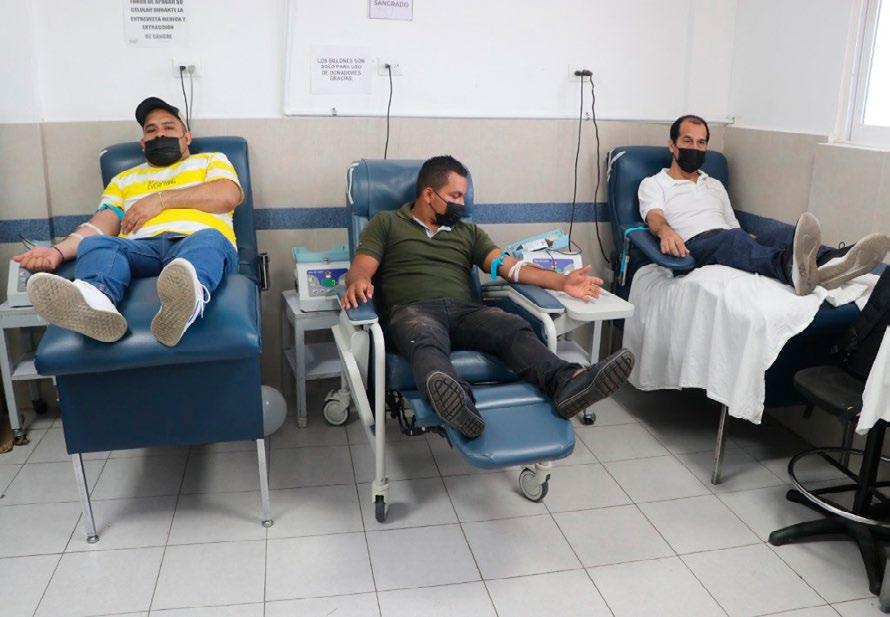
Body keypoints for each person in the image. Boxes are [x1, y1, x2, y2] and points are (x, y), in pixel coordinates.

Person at [341, 155, 634, 439]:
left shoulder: (468, 233)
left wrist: (563, 281)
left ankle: (568, 383)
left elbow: (510, 267)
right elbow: (363, 266)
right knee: (424, 336)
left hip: (465, 312)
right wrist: (360, 280)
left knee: (511, 325)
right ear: (429, 194)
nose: (461, 204)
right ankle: (458, 405)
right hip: (413, 311)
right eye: (454, 196)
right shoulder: (387, 223)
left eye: (463, 197)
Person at [14, 97, 243, 346]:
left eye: (168, 127)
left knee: (208, 240)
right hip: (140, 249)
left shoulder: (211, 160)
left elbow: (227, 196)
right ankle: (96, 303)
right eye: (151, 130)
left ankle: (186, 300)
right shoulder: (123, 180)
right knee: (97, 244)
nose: (160, 134)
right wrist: (57, 252)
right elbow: (100, 225)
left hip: (196, 242)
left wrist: (160, 200)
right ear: (143, 143)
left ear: (186, 137)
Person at [638, 114, 889, 295]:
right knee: (732, 240)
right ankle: (791, 269)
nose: (695, 148)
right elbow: (654, 217)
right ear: (672, 145)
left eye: (701, 143)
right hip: (694, 245)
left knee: (779, 233)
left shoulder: (714, 184)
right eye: (687, 141)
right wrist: (665, 231)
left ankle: (835, 261)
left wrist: (755, 241)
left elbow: (733, 225)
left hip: (728, 238)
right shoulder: (654, 183)